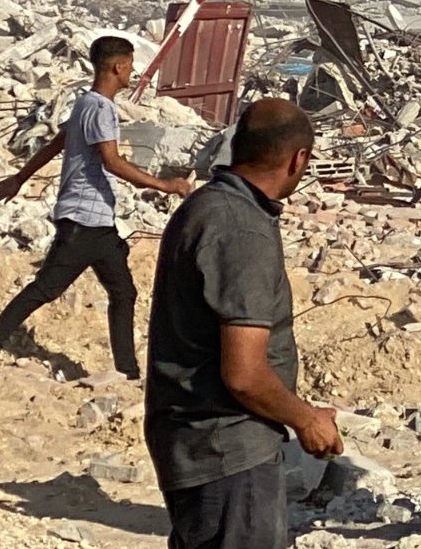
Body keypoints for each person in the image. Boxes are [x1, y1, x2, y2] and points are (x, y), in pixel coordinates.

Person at [145, 99, 339, 549]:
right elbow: (245, 374)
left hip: (192, 442)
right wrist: (305, 420)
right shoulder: (241, 230)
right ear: (299, 159)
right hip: (227, 452)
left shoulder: (207, 206)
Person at [0, 34, 191, 377]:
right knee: (47, 288)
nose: (133, 72)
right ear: (117, 66)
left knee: (124, 292)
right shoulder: (101, 108)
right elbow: (111, 161)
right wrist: (164, 185)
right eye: (130, 66)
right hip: (82, 220)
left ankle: (127, 372)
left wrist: (20, 178)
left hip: (99, 224)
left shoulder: (84, 104)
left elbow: (57, 144)